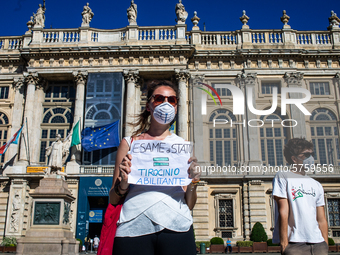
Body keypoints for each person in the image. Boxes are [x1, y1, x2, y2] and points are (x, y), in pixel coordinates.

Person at [109, 80, 200, 255]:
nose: (166, 104)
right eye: (159, 99)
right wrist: (124, 183)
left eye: (171, 100)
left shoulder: (183, 146)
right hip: (133, 226)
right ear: (149, 105)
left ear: (176, 107)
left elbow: (189, 204)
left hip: (177, 225)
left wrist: (193, 182)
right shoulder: (129, 143)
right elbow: (113, 199)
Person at [272, 138, 328, 255]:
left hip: (319, 245)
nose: (311, 158)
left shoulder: (316, 184)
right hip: (295, 244)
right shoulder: (283, 176)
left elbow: (321, 219)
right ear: (294, 158)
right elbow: (283, 212)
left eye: (312, 154)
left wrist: (325, 244)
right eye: (306, 155)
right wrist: (284, 244)